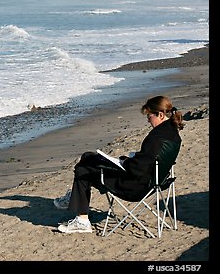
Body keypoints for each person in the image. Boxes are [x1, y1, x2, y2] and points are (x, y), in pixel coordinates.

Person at [53, 95, 184, 234]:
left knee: (83, 170)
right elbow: (147, 160)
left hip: (133, 187)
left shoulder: (157, 137)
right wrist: (130, 160)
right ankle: (74, 197)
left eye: (149, 116)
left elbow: (136, 168)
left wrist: (124, 161)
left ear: (160, 115)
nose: (147, 119)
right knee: (88, 157)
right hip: (153, 182)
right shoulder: (173, 134)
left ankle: (82, 220)